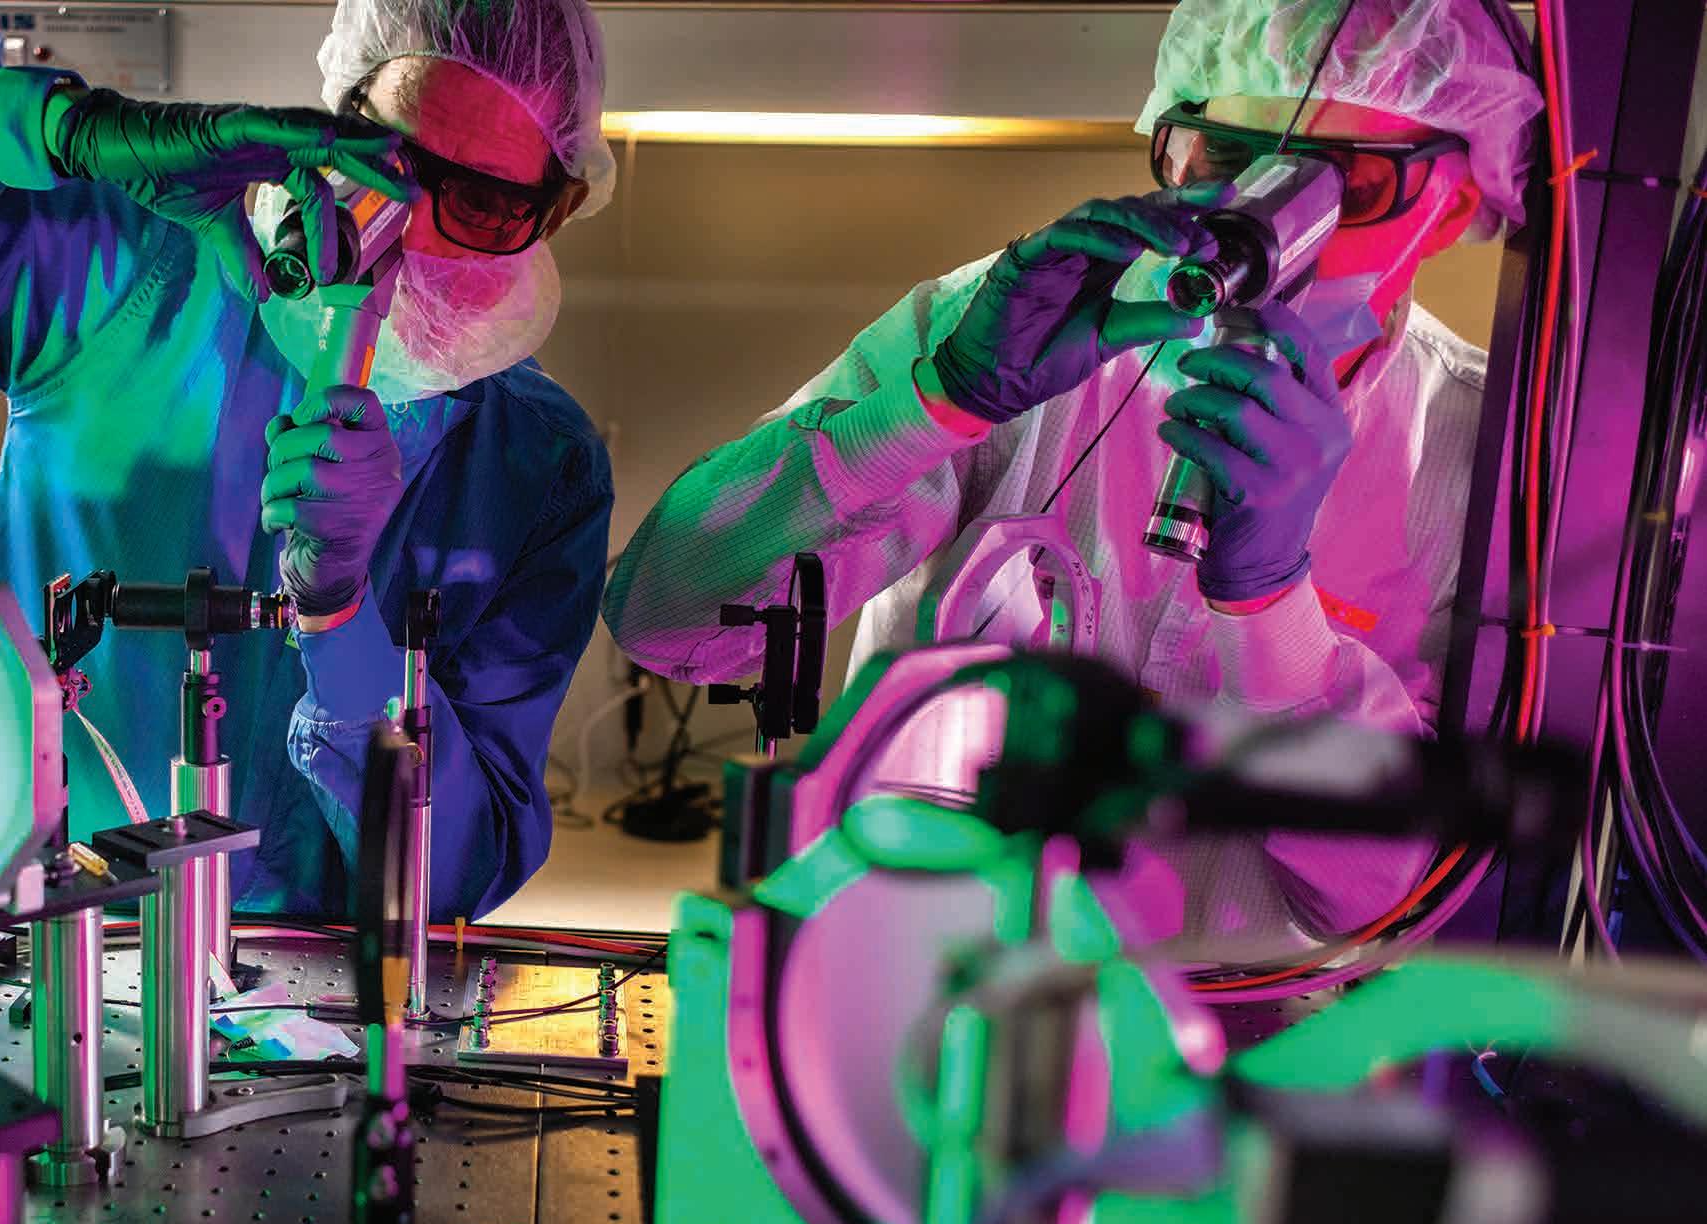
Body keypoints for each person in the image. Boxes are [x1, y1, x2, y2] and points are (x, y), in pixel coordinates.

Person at [603, 0, 1541, 954]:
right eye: (1228, 159)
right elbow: (667, 618)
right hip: (909, 997)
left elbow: (1381, 901)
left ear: (1453, 202)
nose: (1263, 228)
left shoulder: (1480, 455)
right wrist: (939, 402)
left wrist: (1273, 612)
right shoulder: (1016, 324)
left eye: (1347, 184)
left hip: (1237, 1029)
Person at [0, 0, 616, 920]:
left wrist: (341, 615)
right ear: (338, 116)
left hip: (311, 997)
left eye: (483, 204)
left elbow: (454, 879)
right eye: (389, 162)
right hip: (41, 938)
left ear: (558, 208)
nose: (407, 227)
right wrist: (62, 131)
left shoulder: (542, 468)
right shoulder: (136, 275)